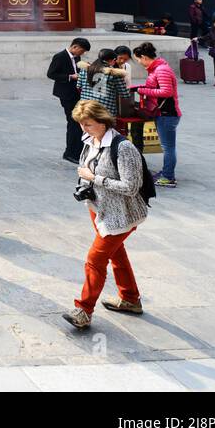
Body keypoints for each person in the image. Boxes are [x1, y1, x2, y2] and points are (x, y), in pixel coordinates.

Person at [61, 100, 147, 330]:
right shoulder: (90, 141)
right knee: (117, 254)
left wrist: (94, 179)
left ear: (102, 121)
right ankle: (130, 298)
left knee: (95, 260)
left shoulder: (123, 148)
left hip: (121, 215)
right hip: (98, 209)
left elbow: (131, 187)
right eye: (81, 124)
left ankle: (83, 310)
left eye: (88, 124)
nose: (84, 129)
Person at [133, 41, 181, 187]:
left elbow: (167, 92)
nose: (139, 63)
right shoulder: (156, 69)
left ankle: (168, 177)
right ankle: (166, 172)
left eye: (138, 60)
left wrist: (142, 91)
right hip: (163, 112)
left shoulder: (161, 70)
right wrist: (139, 87)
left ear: (144, 57)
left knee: (168, 147)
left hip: (167, 113)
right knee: (167, 146)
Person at [47, 37, 91, 163]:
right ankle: (70, 153)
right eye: (81, 51)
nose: (81, 54)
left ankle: (77, 151)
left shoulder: (77, 58)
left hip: (76, 93)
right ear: (75, 47)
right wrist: (71, 77)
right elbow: (51, 74)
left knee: (78, 123)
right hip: (66, 94)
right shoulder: (60, 56)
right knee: (73, 122)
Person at [75, 48, 126, 117]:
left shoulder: (84, 70)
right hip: (105, 110)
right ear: (113, 60)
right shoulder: (115, 74)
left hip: (85, 108)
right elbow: (124, 94)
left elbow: (79, 86)